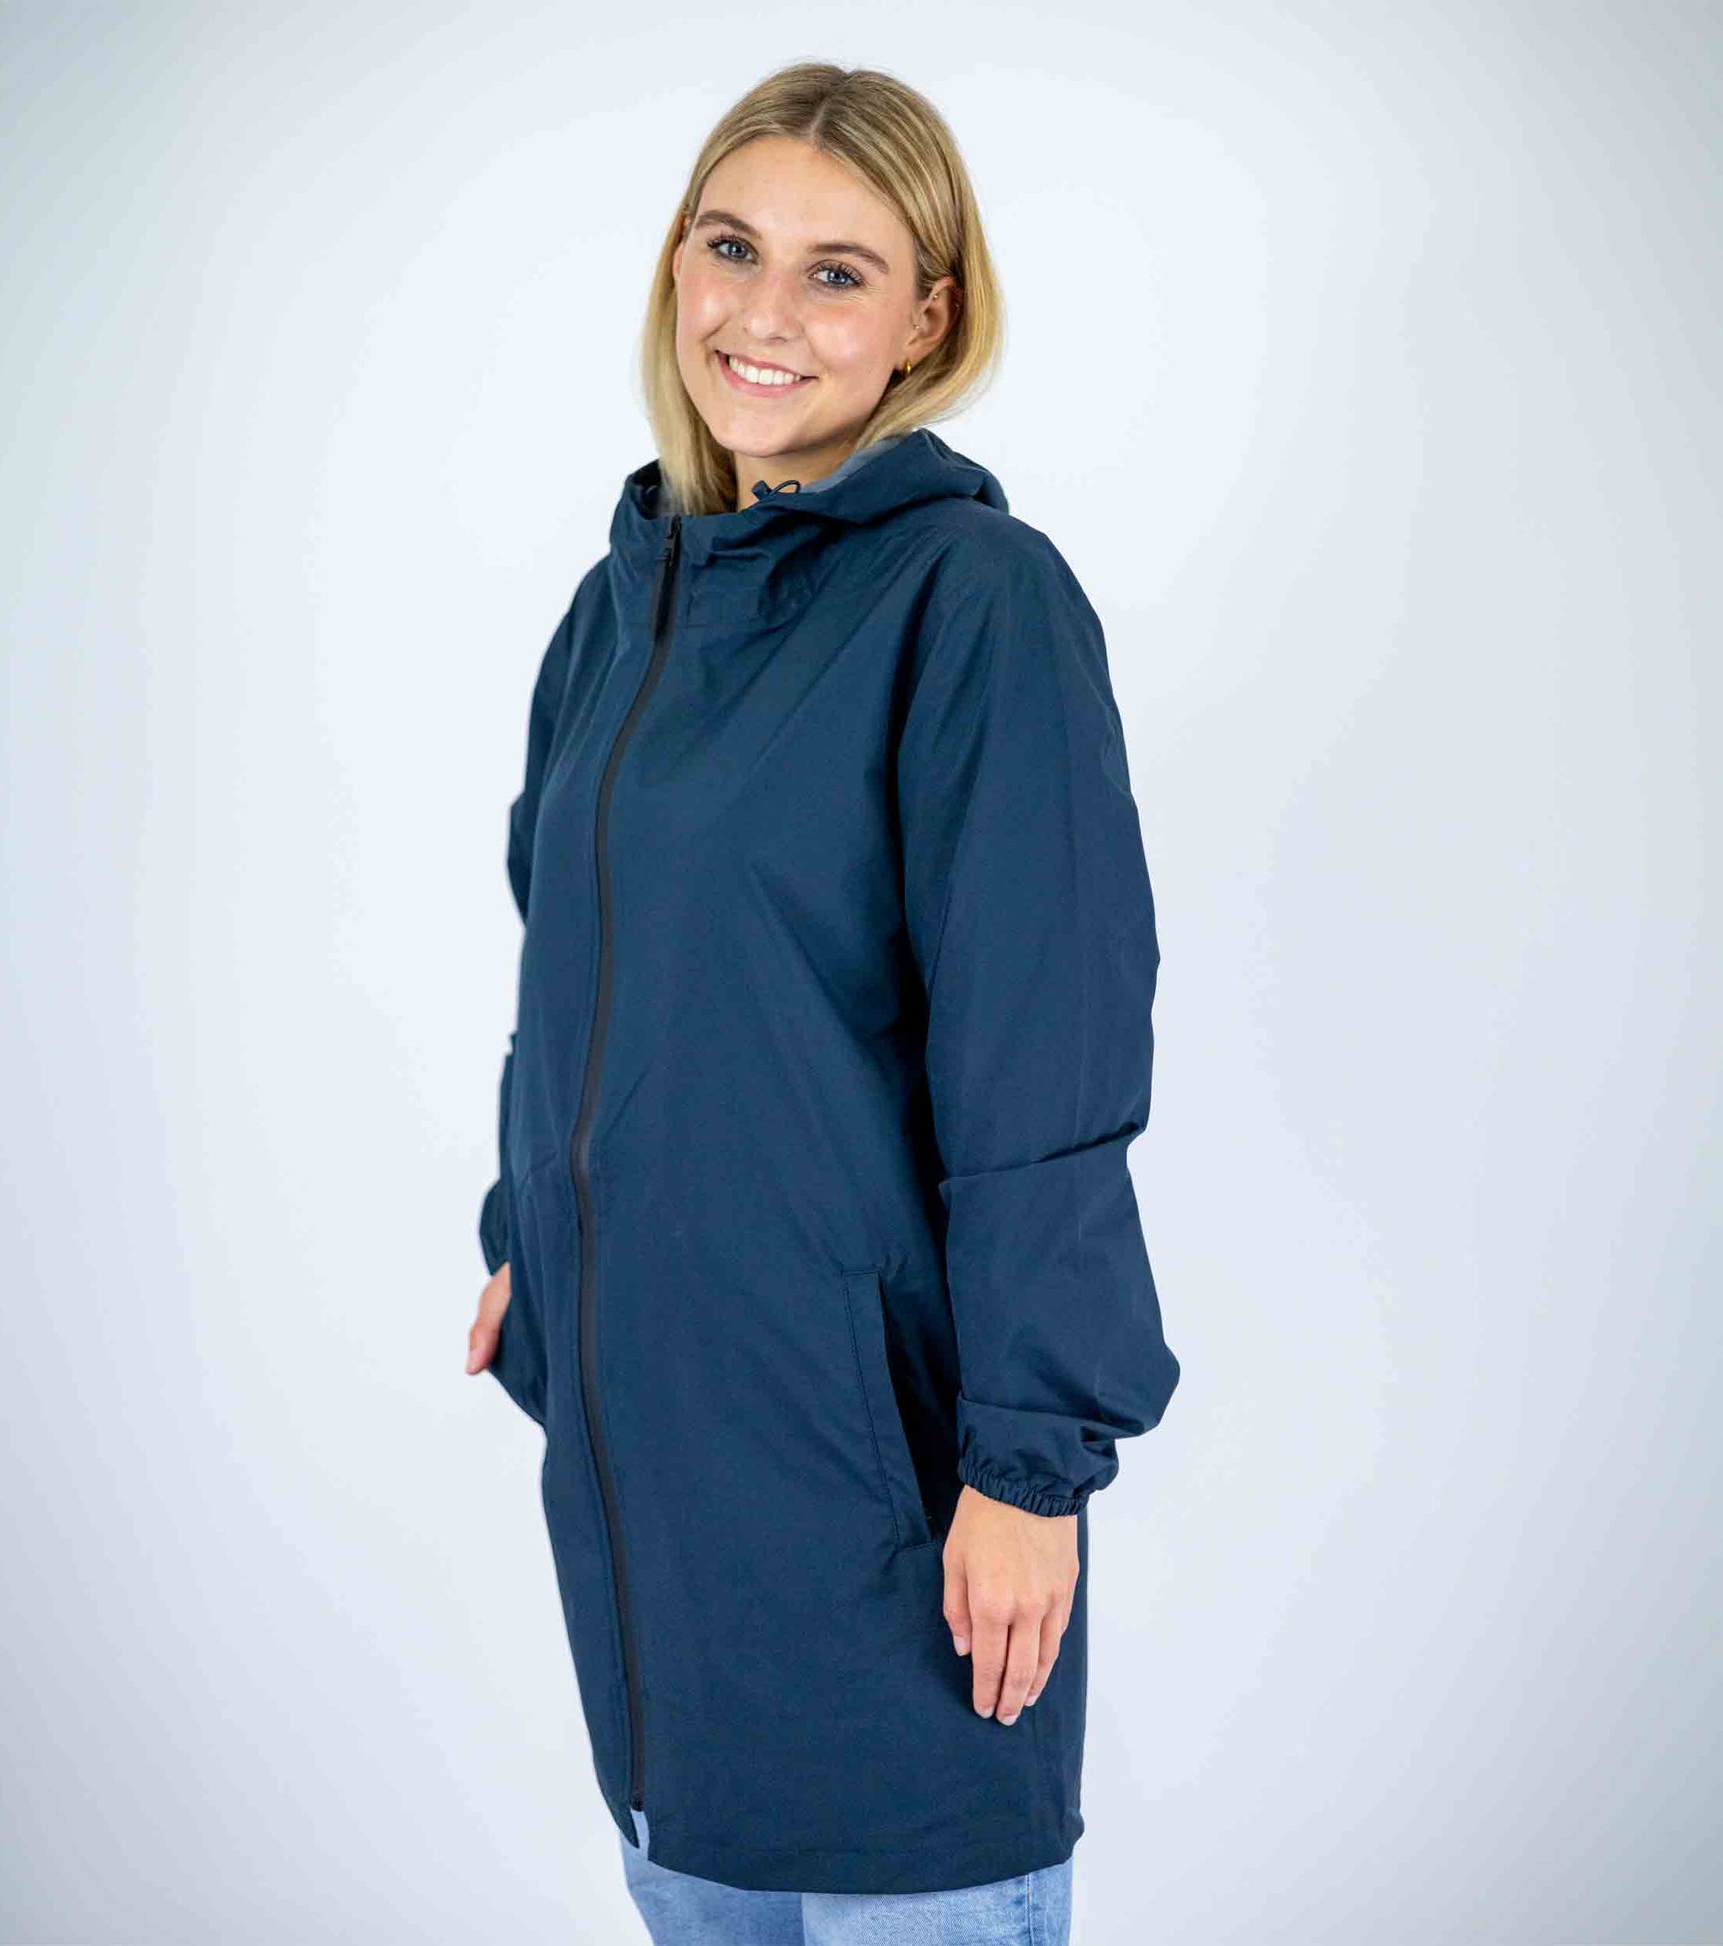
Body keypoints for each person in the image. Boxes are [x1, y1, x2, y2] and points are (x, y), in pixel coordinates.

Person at [464, 60, 1180, 1946]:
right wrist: (530, 1230)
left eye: (836, 272)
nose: (761, 313)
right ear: (673, 266)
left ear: (927, 317)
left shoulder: (974, 602)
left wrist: (1029, 1467)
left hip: (885, 1504)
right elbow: (571, 963)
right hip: (653, 1518)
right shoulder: (617, 612)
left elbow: (1046, 1063)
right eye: (731, 248)